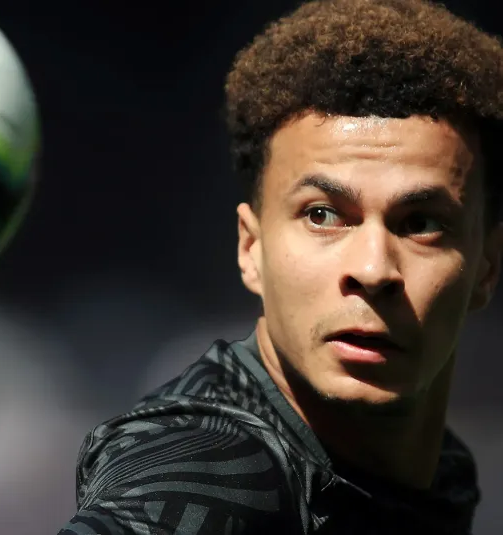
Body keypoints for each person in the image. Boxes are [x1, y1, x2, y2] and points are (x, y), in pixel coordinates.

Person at [59, 0, 503, 533]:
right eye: (322, 215)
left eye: (420, 223)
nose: (372, 269)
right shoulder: (209, 476)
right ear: (251, 248)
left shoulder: (443, 472)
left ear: (487, 265)